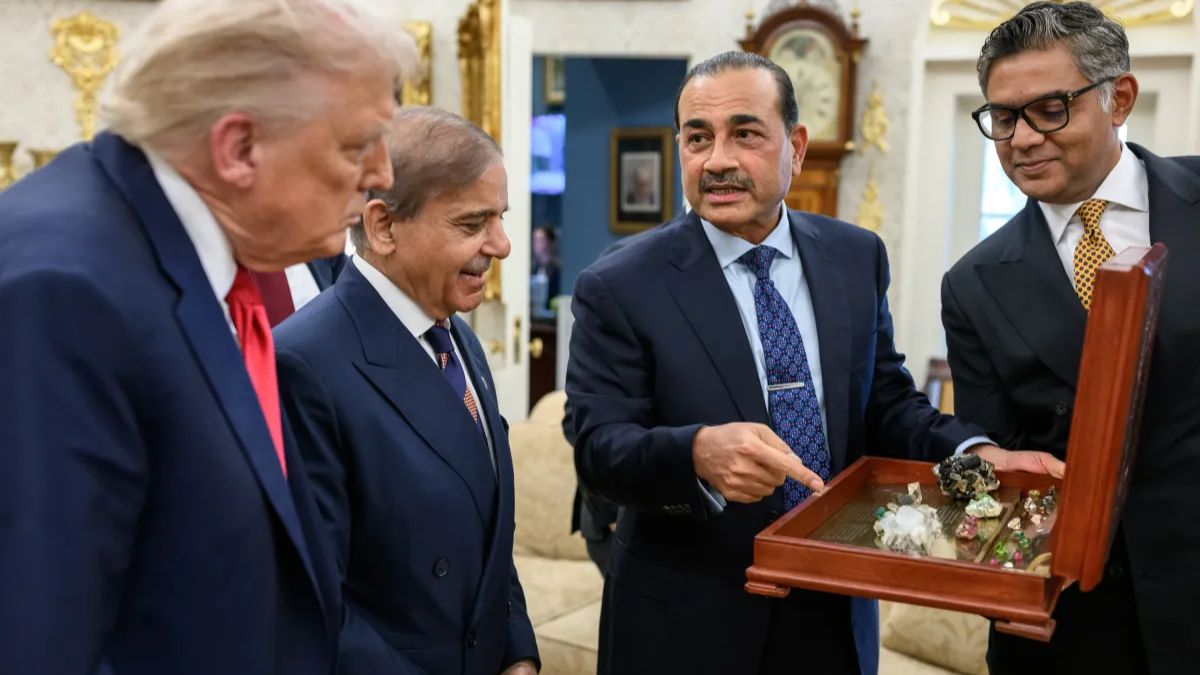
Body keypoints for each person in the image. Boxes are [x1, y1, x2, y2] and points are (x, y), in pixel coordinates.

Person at [566, 50, 1064, 675]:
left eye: (744, 133)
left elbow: (885, 402)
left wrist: (976, 454)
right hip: (687, 621)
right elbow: (598, 449)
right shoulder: (620, 284)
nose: (717, 160)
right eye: (698, 138)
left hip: (834, 608)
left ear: (795, 147)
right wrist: (695, 453)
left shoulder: (855, 258)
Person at [0, 1, 411, 674]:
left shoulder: (187, 258)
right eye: (354, 145)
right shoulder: (65, 291)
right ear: (239, 148)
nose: (383, 174)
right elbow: (40, 641)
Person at [942, 3, 1200, 673]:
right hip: (1068, 621)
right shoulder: (972, 283)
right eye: (1003, 117)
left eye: (1050, 108)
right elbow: (993, 469)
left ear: (1120, 98)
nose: (1022, 138)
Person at [275, 107, 539, 675]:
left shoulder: (459, 341)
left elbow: (487, 535)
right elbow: (313, 603)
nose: (502, 245)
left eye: (501, 218)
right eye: (472, 225)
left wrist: (517, 651)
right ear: (383, 226)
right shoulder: (302, 363)